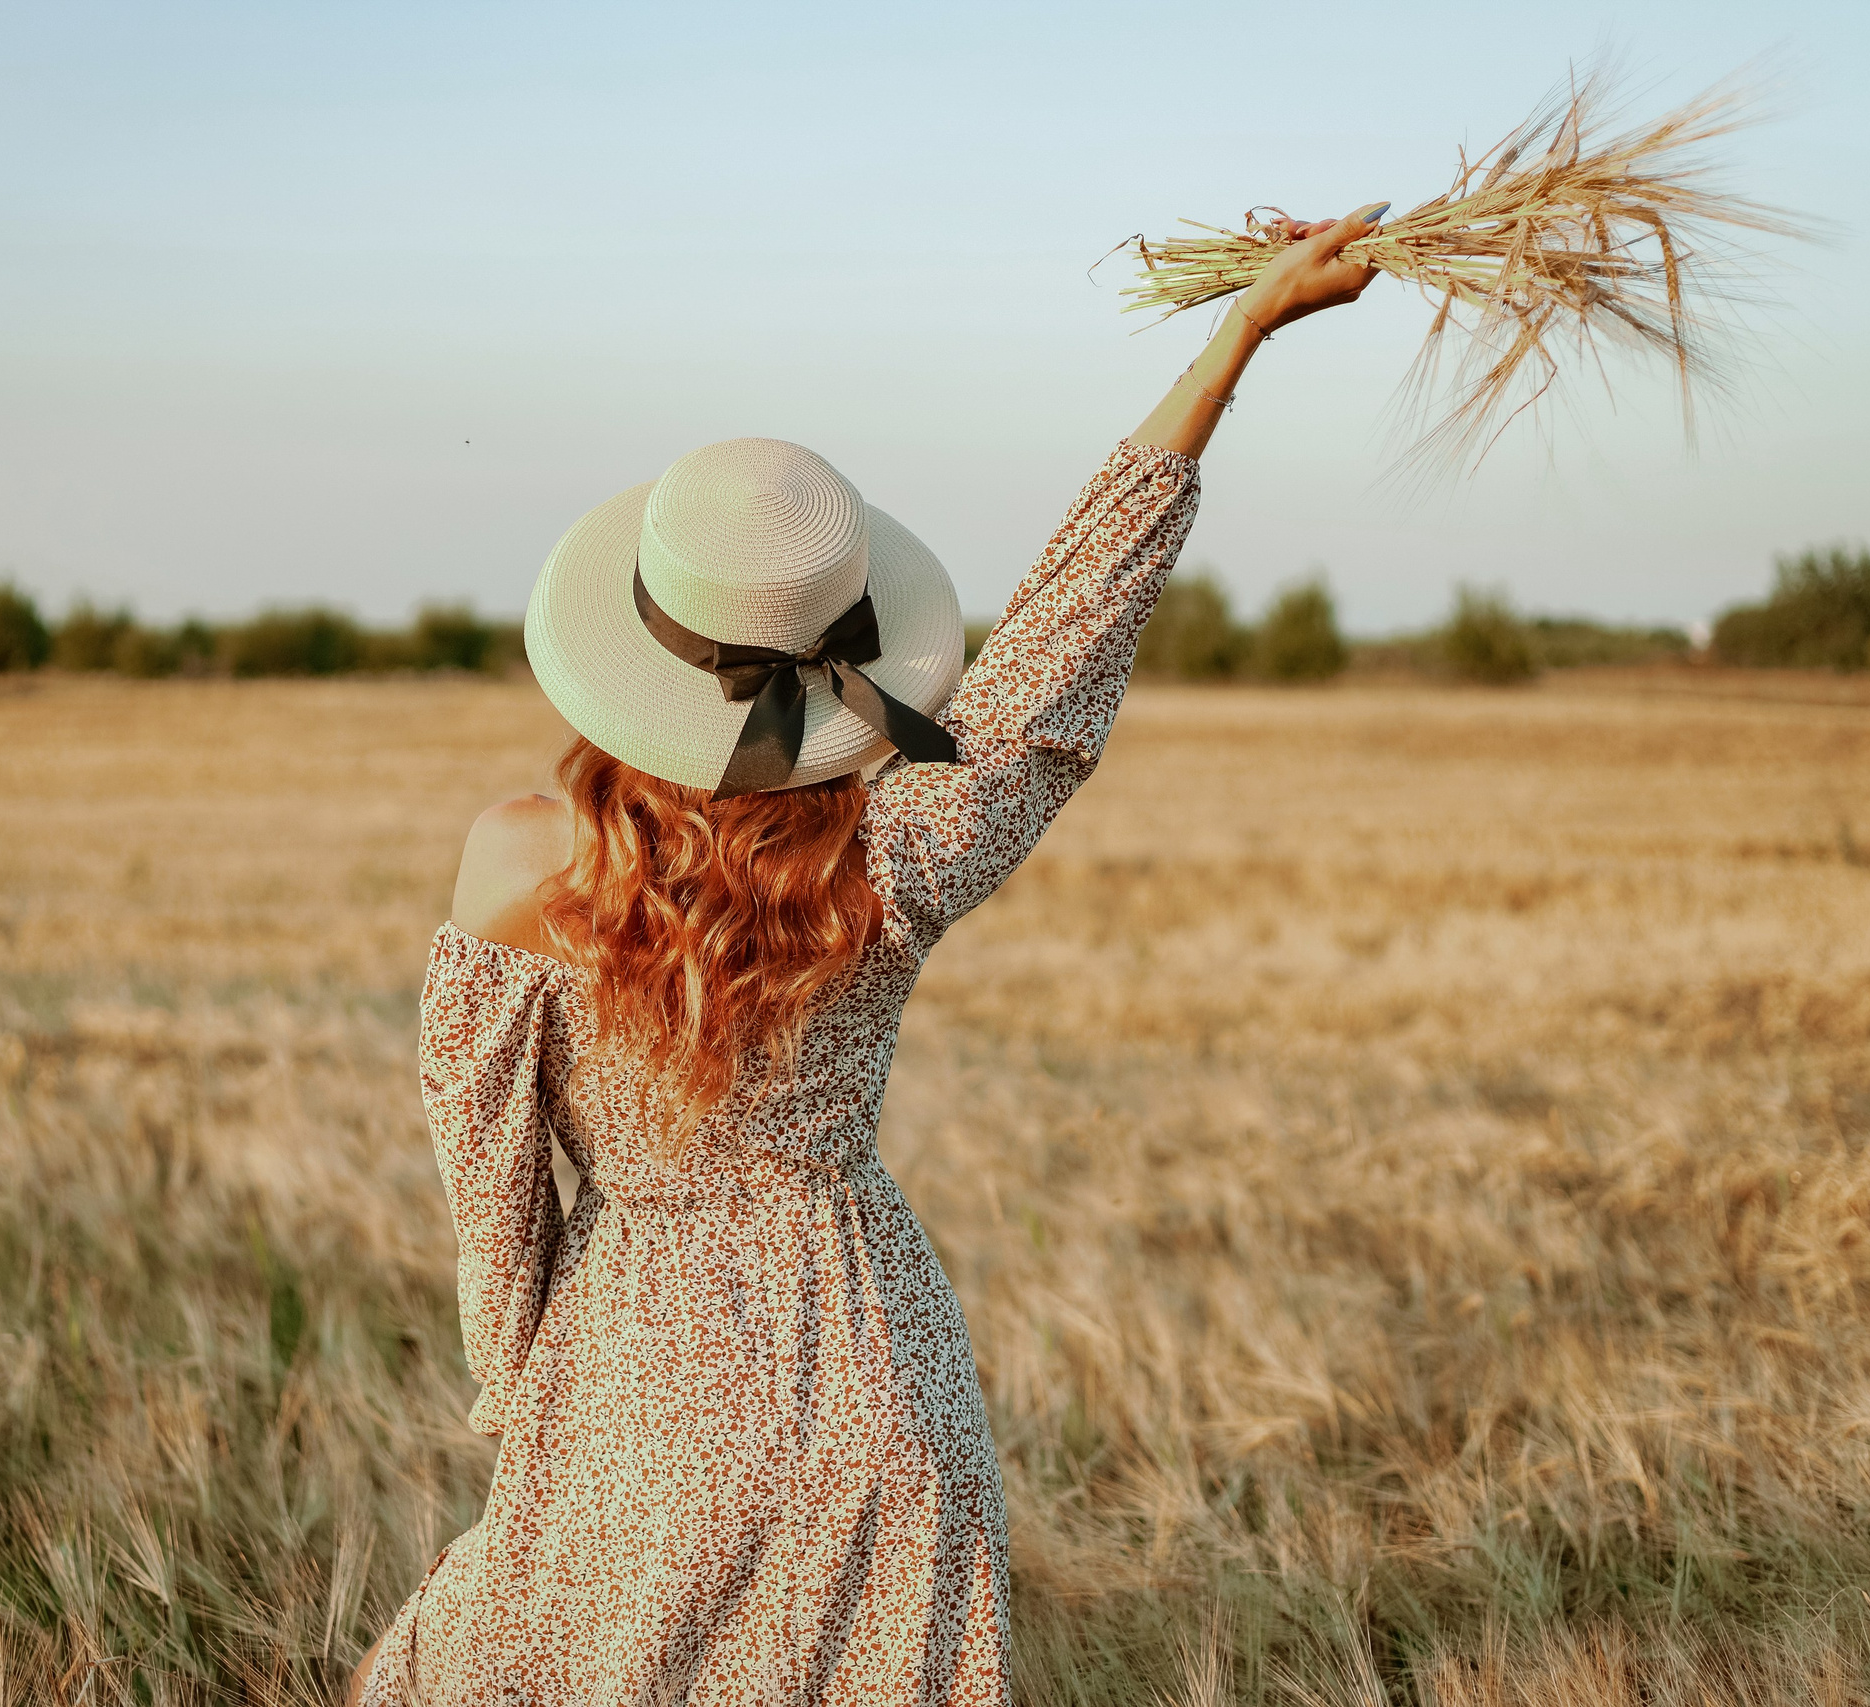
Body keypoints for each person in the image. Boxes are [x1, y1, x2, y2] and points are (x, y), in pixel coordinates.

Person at [351, 206, 1384, 1707]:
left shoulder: (520, 862)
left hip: (638, 1389)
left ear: (639, 644)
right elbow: (1058, 656)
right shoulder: (891, 856)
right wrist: (1239, 337)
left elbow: (494, 1189)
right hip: (875, 1380)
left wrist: (528, 1400)